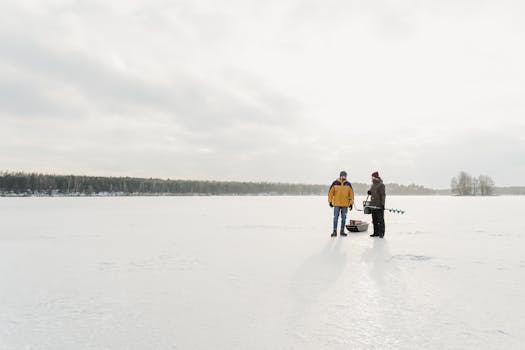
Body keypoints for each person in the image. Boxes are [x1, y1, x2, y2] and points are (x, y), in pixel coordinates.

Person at [328, 171, 354, 237]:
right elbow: (330, 193)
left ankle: (342, 231)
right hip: (336, 204)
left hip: (345, 205)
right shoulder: (335, 183)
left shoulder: (348, 184)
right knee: (335, 218)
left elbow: (351, 194)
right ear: (340, 176)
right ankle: (334, 231)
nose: (343, 177)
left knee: (344, 218)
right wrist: (330, 201)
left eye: (345, 176)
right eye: (342, 175)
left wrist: (351, 204)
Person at [368, 171, 386, 238]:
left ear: (376, 177)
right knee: (374, 220)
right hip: (373, 205)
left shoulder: (381, 185)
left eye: (373, 177)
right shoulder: (372, 185)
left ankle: (381, 233)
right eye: (372, 177)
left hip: (379, 206)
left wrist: (382, 204)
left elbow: (383, 195)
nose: (372, 178)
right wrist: (369, 192)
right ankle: (376, 233)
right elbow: (372, 192)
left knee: (380, 220)